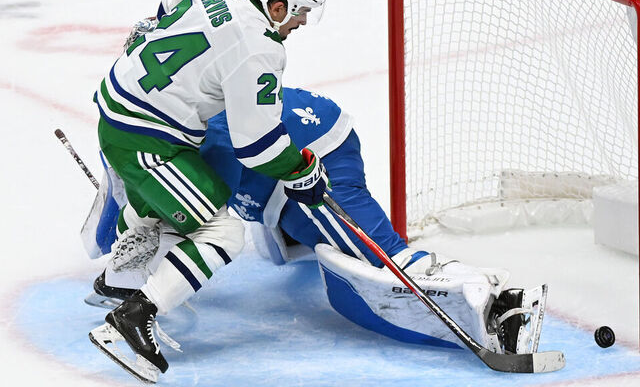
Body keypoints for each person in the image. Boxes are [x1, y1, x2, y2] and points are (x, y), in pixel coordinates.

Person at [84, 87, 549, 377]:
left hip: (310, 156)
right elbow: (128, 200)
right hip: (271, 174)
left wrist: (140, 244)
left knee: (376, 258)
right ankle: (295, 233)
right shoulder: (148, 116)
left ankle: (498, 306)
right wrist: (129, 243)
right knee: (232, 224)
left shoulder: (196, 132)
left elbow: (193, 214)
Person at [87, 0, 328, 383]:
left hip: (121, 104)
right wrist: (303, 169)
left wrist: (154, 27)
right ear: (279, 5)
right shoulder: (259, 48)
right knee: (223, 230)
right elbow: (258, 146)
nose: (303, 21)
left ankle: (119, 275)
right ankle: (134, 315)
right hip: (145, 139)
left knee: (192, 196)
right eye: (301, 11)